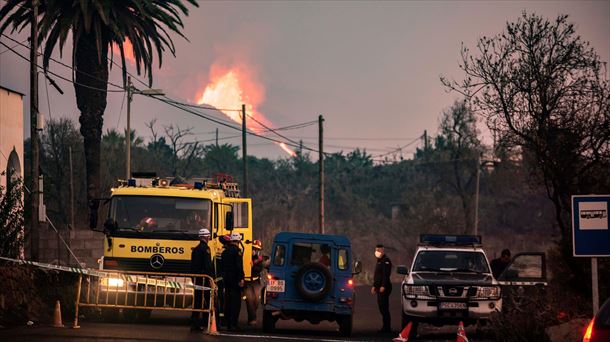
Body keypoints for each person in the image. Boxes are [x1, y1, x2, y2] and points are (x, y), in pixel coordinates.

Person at [190, 228, 213, 331]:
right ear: (206, 237)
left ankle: (194, 323)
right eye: (208, 236)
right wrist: (210, 279)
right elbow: (208, 266)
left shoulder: (195, 249)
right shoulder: (206, 249)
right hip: (204, 279)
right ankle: (205, 323)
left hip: (197, 278)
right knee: (206, 301)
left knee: (197, 301)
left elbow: (192, 265)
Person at [221, 232, 245, 331]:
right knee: (236, 302)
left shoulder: (225, 252)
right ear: (239, 241)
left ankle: (227, 322)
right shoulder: (237, 251)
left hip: (226, 279)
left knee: (228, 300)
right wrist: (241, 279)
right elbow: (239, 267)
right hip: (235, 279)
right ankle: (233, 324)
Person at [371, 244, 392, 333]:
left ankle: (387, 328)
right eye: (376, 250)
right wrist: (374, 286)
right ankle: (385, 327)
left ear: (382, 251)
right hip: (379, 287)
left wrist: (383, 286)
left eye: (378, 250)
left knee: (384, 307)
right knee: (381, 307)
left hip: (385, 287)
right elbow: (377, 276)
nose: (377, 252)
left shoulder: (386, 261)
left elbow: (385, 275)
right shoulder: (379, 261)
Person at [244, 239, 265, 326]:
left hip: (256, 282)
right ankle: (252, 319)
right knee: (249, 300)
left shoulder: (259, 260)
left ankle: (252, 316)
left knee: (256, 301)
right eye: (253, 249)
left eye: (257, 249)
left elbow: (259, 269)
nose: (255, 251)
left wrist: (252, 265)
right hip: (248, 282)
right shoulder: (246, 257)